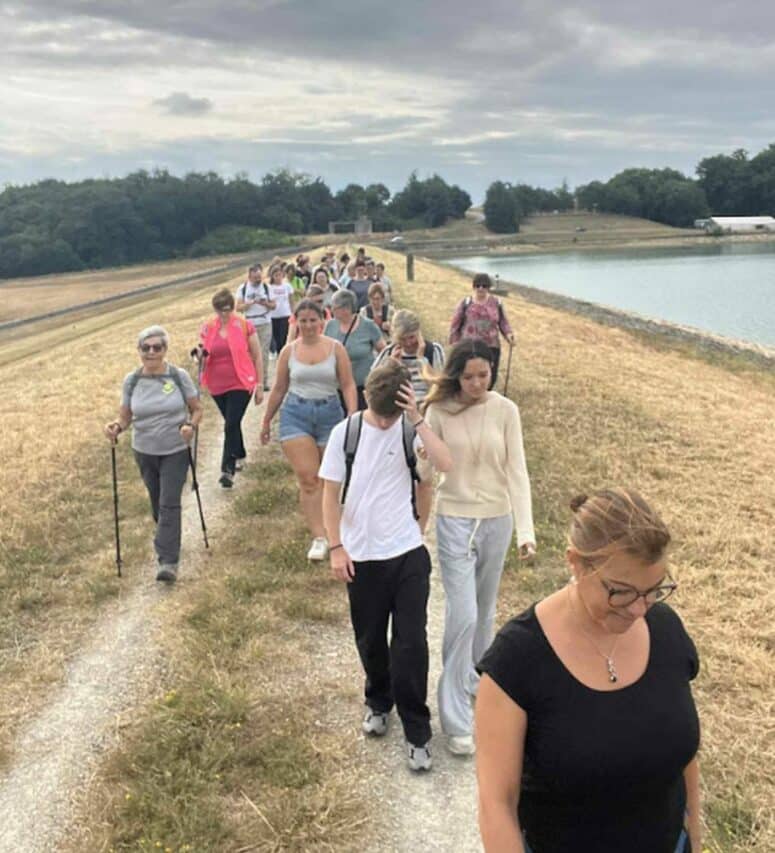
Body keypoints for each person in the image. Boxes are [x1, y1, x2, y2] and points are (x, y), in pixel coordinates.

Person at [476, 488, 701, 853]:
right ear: (576, 563)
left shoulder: (666, 630)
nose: (639, 610)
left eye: (653, 590)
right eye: (621, 592)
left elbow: (683, 755)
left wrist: (695, 834)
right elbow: (496, 804)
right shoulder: (516, 660)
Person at [319, 361, 453, 771]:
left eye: (390, 416)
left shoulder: (411, 430)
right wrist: (336, 547)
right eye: (379, 414)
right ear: (366, 398)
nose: (383, 422)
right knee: (370, 639)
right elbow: (329, 494)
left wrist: (416, 419)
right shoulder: (346, 433)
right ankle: (378, 701)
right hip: (361, 557)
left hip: (407, 554)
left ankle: (417, 731)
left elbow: (439, 470)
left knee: (411, 643)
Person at [421, 339, 535, 756]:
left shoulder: (506, 410)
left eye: (483, 375)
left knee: (485, 613)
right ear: (455, 375)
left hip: (497, 520)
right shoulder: (438, 410)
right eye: (468, 376)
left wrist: (526, 531)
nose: (476, 383)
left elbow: (517, 470)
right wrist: (422, 452)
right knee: (464, 615)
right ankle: (455, 720)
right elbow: (425, 471)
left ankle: (475, 681)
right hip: (455, 519)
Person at [104, 325, 202, 582]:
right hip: (144, 450)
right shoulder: (132, 380)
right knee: (157, 502)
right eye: (145, 348)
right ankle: (168, 535)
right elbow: (125, 417)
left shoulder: (178, 376)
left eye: (157, 347)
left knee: (169, 501)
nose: (151, 352)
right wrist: (116, 427)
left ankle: (168, 560)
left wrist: (190, 426)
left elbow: (197, 409)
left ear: (165, 349)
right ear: (138, 350)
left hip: (175, 449)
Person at [261, 298, 357, 561]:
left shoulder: (336, 349)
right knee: (308, 478)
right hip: (296, 414)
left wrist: (352, 415)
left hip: (330, 415)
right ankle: (319, 537)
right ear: (296, 322)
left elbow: (348, 384)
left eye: (313, 320)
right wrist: (267, 420)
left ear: (322, 321)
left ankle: (335, 531)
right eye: (303, 321)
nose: (308, 325)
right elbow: (279, 388)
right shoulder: (288, 352)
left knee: (330, 478)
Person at [371, 309, 445, 530]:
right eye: (403, 339)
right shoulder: (389, 353)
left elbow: (440, 385)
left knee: (423, 476)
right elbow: (375, 386)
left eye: (412, 337)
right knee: (396, 474)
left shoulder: (433, 350)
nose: (409, 343)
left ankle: (419, 528)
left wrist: (422, 360)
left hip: (425, 416)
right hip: (396, 419)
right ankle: (396, 520)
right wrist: (391, 366)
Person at [199, 288, 263, 487]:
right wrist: (199, 357)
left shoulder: (244, 325)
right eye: (220, 310)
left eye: (227, 309)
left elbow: (257, 355)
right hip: (217, 383)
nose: (224, 313)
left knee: (230, 424)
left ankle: (227, 470)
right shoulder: (209, 328)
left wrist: (260, 384)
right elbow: (203, 352)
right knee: (232, 422)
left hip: (241, 381)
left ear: (233, 307)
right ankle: (240, 452)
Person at [449, 273, 516, 389]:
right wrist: (455, 343)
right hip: (470, 347)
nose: (481, 288)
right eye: (478, 285)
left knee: (490, 376)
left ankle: (486, 396)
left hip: (491, 347)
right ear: (473, 287)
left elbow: (503, 322)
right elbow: (455, 324)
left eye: (484, 285)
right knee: (469, 374)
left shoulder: (496, 303)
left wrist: (508, 334)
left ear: (488, 287)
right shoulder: (466, 303)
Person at [325, 289, 385, 410]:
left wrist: (378, 375)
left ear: (346, 309)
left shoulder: (368, 326)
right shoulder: (330, 326)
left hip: (363, 387)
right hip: (337, 388)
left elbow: (383, 352)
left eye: (335, 308)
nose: (332, 310)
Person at [235, 263, 274, 391]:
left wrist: (265, 303)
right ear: (249, 276)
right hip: (249, 324)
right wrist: (249, 304)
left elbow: (274, 305)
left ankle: (263, 381)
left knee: (263, 353)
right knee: (250, 354)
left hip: (265, 322)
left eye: (259, 277)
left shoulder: (267, 287)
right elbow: (238, 308)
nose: (258, 280)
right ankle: (251, 380)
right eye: (255, 277)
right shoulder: (243, 289)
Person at [268, 264, 294, 354]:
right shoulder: (269, 287)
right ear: (272, 276)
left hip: (285, 314)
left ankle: (284, 353)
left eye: (280, 275)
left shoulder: (287, 286)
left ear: (283, 275)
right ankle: (279, 353)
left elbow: (291, 300)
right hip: (273, 316)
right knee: (276, 337)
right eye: (276, 275)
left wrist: (293, 312)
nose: (278, 277)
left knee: (284, 336)